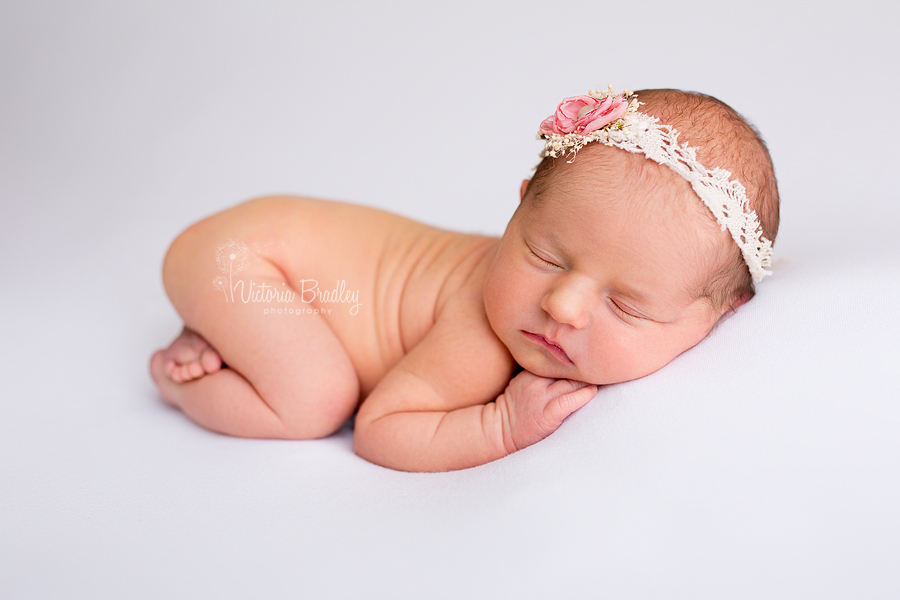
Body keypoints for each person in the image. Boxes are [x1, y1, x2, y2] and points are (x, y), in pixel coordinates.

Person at [149, 86, 780, 472]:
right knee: (315, 401)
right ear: (520, 204)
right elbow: (380, 431)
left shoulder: (566, 302)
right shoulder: (481, 333)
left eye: (627, 305)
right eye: (545, 256)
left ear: (722, 314)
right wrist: (499, 426)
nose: (561, 304)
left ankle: (224, 327)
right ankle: (183, 381)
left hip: (260, 254)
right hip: (242, 262)